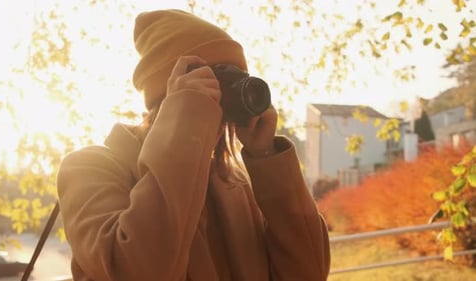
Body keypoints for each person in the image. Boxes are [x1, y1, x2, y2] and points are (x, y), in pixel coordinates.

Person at [57, 9, 330, 281]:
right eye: (210, 79)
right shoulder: (89, 168)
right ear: (169, 95)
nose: (222, 94)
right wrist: (184, 123)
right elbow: (138, 272)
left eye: (234, 78)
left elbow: (308, 273)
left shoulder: (233, 185)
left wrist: (267, 156)